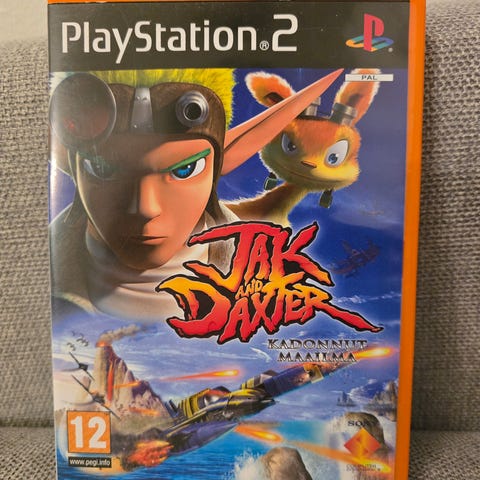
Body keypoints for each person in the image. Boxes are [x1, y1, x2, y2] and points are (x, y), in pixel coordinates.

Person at [49, 68, 342, 321]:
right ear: (72, 167)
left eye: (185, 169)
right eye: (102, 168)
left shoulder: (266, 281)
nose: (146, 207)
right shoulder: (46, 282)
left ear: (216, 166)